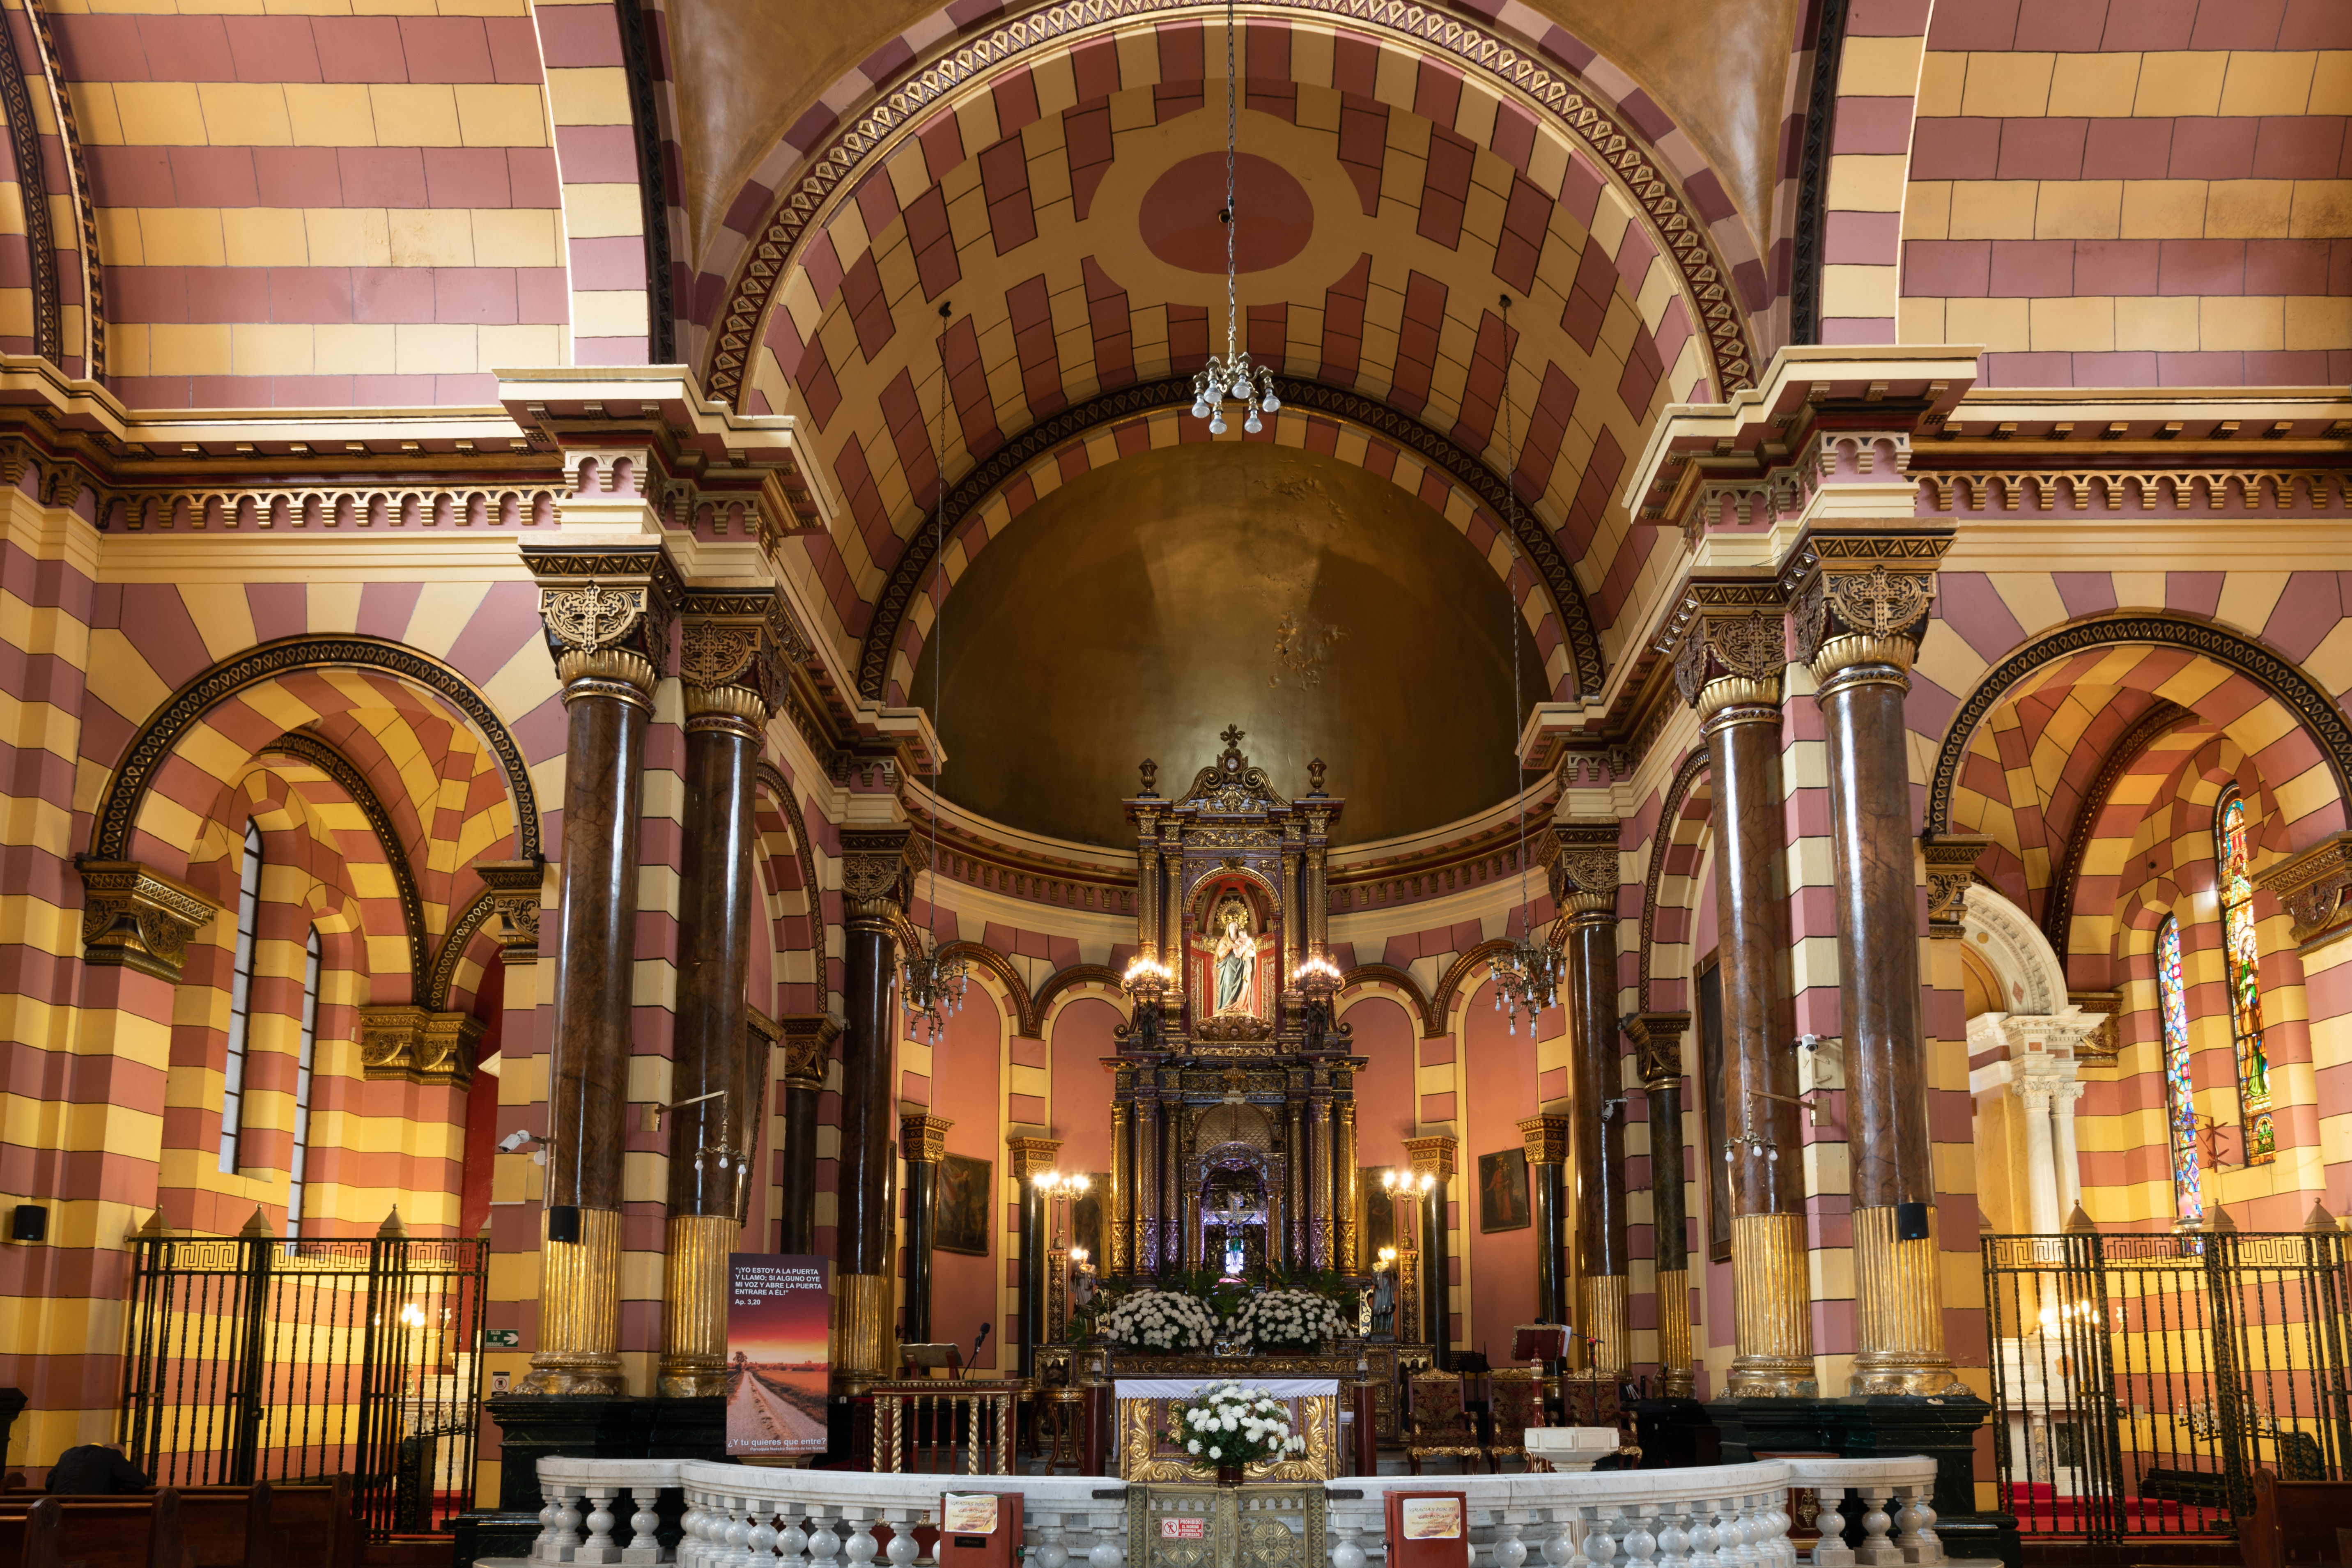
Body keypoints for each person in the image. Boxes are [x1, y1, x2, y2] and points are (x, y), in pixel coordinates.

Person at [47, 1444, 149, 1495]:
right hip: (90, 1511)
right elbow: (139, 1481)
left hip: (57, 1508)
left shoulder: (68, 1453)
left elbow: (49, 1483)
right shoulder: (112, 1455)